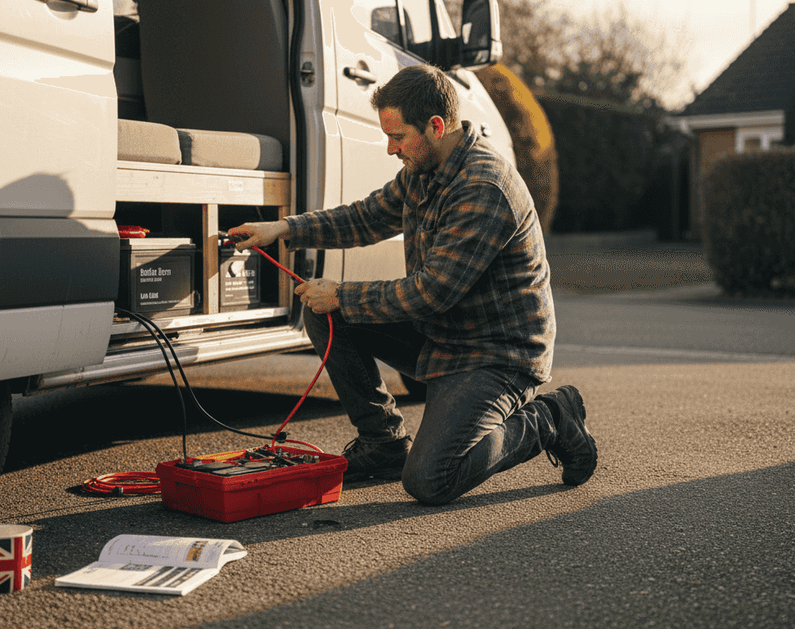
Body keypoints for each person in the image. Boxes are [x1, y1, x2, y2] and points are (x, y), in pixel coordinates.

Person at [229, 64, 596, 505]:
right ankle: (383, 443)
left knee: (430, 480)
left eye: (398, 136)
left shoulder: (484, 187)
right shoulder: (423, 171)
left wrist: (342, 294)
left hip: (496, 355)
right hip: (443, 335)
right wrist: (284, 229)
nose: (390, 148)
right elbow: (365, 218)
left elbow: (432, 292)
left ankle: (553, 417)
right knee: (324, 313)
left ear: (436, 126)